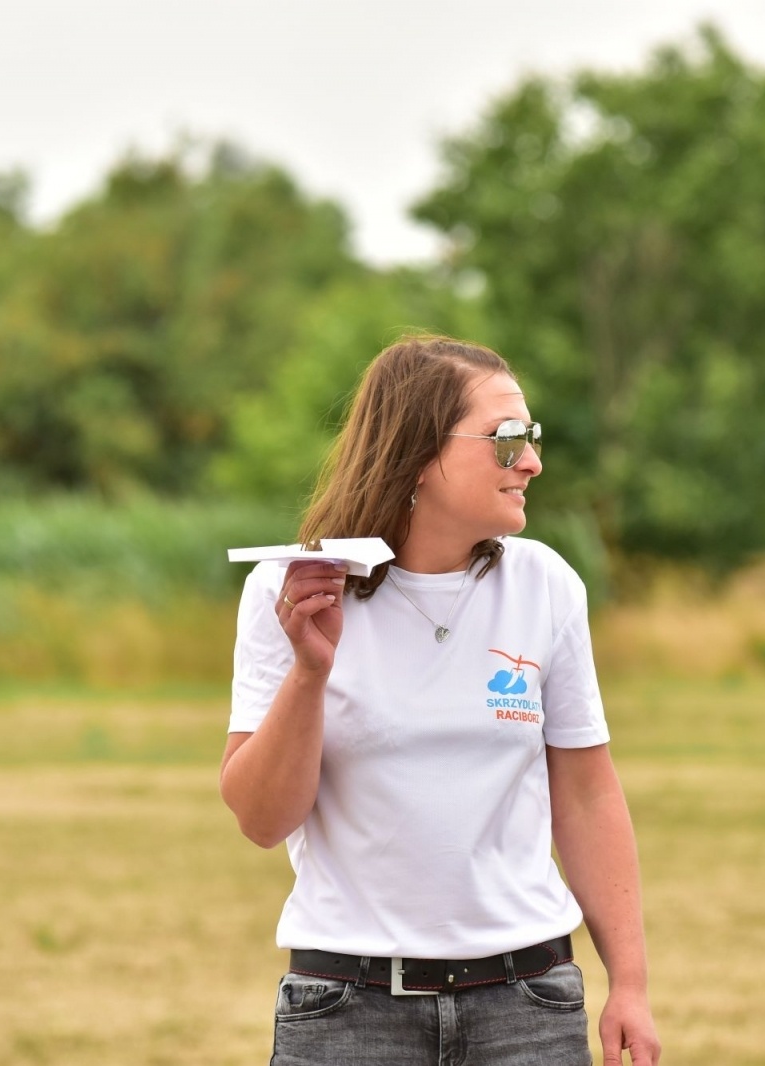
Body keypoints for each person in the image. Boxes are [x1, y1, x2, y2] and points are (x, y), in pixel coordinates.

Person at [220, 335, 662, 1066]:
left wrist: (632, 987)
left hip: (529, 1007)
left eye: (532, 436)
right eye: (507, 438)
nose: (532, 461)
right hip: (345, 1013)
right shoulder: (290, 589)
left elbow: (587, 797)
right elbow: (261, 821)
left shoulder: (546, 585)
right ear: (418, 452)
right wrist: (309, 673)